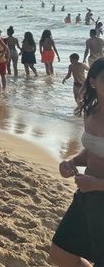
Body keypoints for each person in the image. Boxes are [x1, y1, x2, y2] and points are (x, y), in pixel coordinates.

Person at [50, 58, 104, 267]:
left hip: (97, 192)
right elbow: (91, 150)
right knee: (60, 252)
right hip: (86, 196)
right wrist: (72, 162)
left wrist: (96, 185)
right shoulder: (90, 111)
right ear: (92, 82)